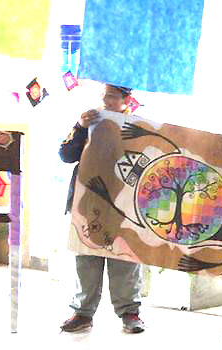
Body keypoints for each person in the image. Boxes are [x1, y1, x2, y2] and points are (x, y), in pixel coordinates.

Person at [59, 84, 144, 334]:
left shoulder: (138, 126)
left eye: (112, 96)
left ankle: (130, 312)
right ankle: (82, 312)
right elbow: (65, 154)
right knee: (86, 256)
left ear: (126, 99)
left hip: (124, 202)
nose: (106, 100)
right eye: (104, 95)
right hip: (88, 200)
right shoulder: (89, 120)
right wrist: (80, 127)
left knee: (125, 256)